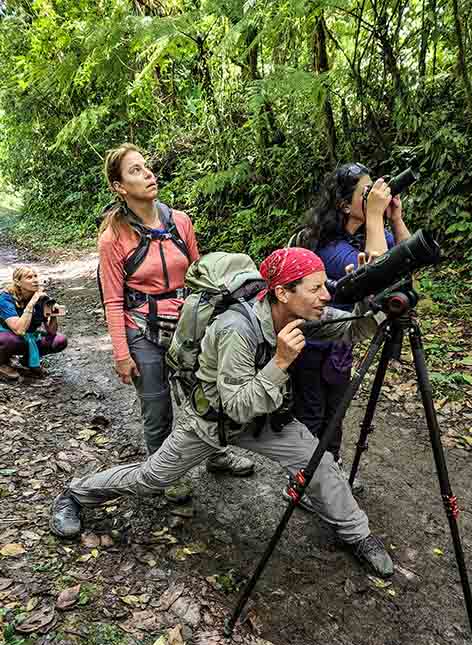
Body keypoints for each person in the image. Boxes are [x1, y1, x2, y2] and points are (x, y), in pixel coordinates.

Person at [50, 247, 394, 578]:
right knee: (153, 478)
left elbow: (355, 328)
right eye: (315, 288)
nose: (326, 296)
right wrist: (280, 362)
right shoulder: (236, 328)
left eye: (325, 286)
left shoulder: (302, 313)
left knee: (319, 462)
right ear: (283, 293)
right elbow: (238, 405)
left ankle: (357, 534)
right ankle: (75, 494)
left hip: (266, 417)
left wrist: (373, 297)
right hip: (212, 421)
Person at [98, 143, 253, 477]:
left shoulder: (180, 222)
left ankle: (216, 454)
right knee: (157, 408)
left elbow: (201, 276)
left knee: (208, 396)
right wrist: (122, 354)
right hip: (141, 329)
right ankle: (162, 475)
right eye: (135, 170)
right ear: (119, 187)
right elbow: (112, 299)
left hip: (189, 327)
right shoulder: (113, 237)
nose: (148, 174)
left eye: (146, 166)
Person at [291, 162, 411, 462]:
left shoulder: (369, 236)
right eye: (365, 193)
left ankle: (328, 474)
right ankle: (303, 480)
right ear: (345, 205)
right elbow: (377, 279)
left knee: (335, 417)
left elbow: (407, 267)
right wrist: (374, 215)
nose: (374, 197)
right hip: (311, 347)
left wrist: (395, 219)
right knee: (313, 417)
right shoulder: (327, 246)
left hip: (340, 346)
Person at [0, 266, 67, 381]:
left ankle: (27, 361)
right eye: (29, 277)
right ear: (18, 282)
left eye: (35, 276)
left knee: (59, 340)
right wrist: (31, 303)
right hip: (9, 335)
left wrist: (53, 314)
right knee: (9, 340)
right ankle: (2, 363)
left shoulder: (42, 299)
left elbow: (51, 332)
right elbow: (19, 330)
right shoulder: (6, 299)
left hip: (28, 337)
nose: (35, 280)